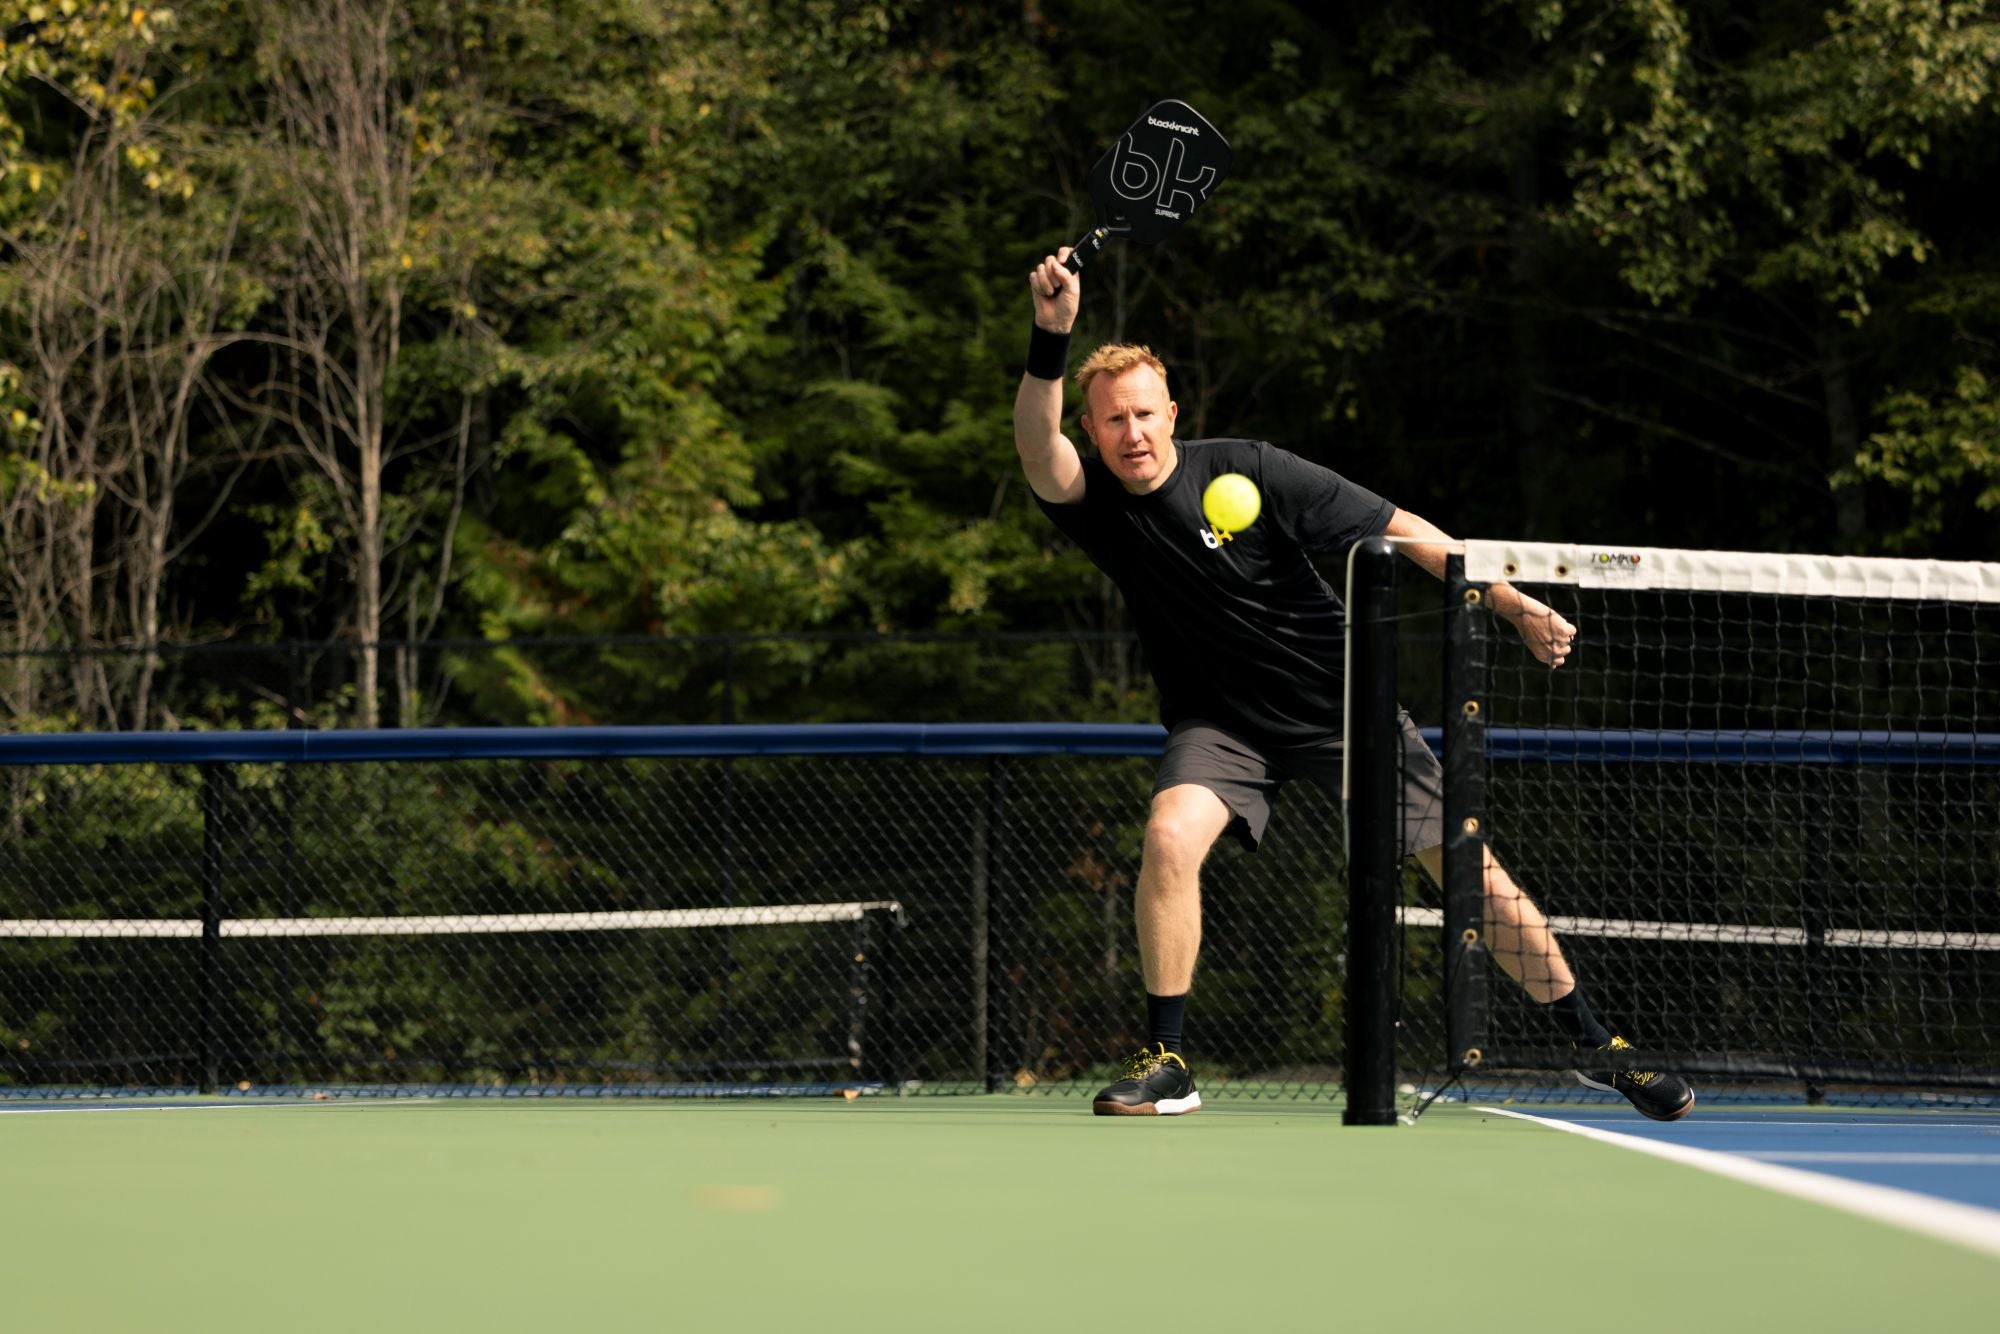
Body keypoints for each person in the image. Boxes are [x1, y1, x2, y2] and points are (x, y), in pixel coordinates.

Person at [1013, 245, 1695, 1122]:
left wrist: (1508, 599)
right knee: (1169, 835)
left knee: (1471, 874)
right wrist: (1050, 333)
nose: (1132, 433)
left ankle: (1599, 1045)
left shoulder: (1251, 468)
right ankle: (1169, 1060)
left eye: (1145, 414)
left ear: (1173, 413)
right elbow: (1037, 445)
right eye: (1112, 422)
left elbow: (1400, 527)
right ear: (1095, 433)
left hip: (1342, 705)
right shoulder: (1099, 505)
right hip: (1218, 723)